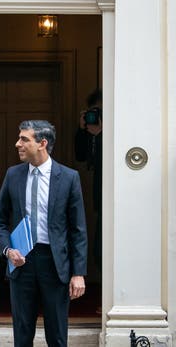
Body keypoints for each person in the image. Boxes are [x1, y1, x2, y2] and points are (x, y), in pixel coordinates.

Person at [0, 120, 87, 347]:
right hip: (21, 262)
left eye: (24, 139)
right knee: (22, 334)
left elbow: (78, 229)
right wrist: (8, 250)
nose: (17, 144)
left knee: (56, 334)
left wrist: (78, 273)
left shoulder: (68, 177)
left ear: (42, 143)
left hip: (54, 264)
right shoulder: (13, 175)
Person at [75, 89, 102, 274]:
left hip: (112, 196)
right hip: (99, 196)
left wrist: (101, 134)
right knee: (98, 245)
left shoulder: (116, 132)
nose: (95, 116)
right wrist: (82, 129)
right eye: (93, 111)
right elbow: (80, 156)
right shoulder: (91, 134)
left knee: (102, 245)